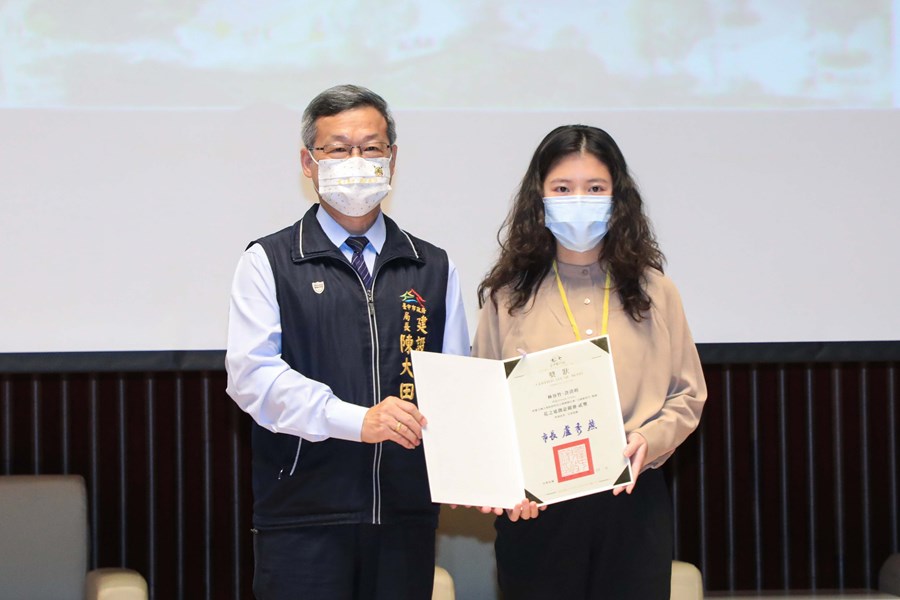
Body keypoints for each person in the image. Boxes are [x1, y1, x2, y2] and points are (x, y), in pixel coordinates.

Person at [225, 84, 469, 600]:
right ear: (308, 163)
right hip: (304, 519)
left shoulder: (434, 267)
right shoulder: (269, 261)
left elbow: (456, 387)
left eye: (371, 148)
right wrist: (357, 421)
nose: (355, 161)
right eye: (338, 149)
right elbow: (254, 377)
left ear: (393, 159)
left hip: (405, 517)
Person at [472, 124, 707, 599]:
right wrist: (505, 484)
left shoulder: (656, 292)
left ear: (617, 198)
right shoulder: (507, 296)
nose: (579, 199)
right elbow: (484, 405)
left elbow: (688, 395)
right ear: (538, 199)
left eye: (595, 188)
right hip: (538, 509)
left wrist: (648, 438)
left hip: (631, 500)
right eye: (562, 188)